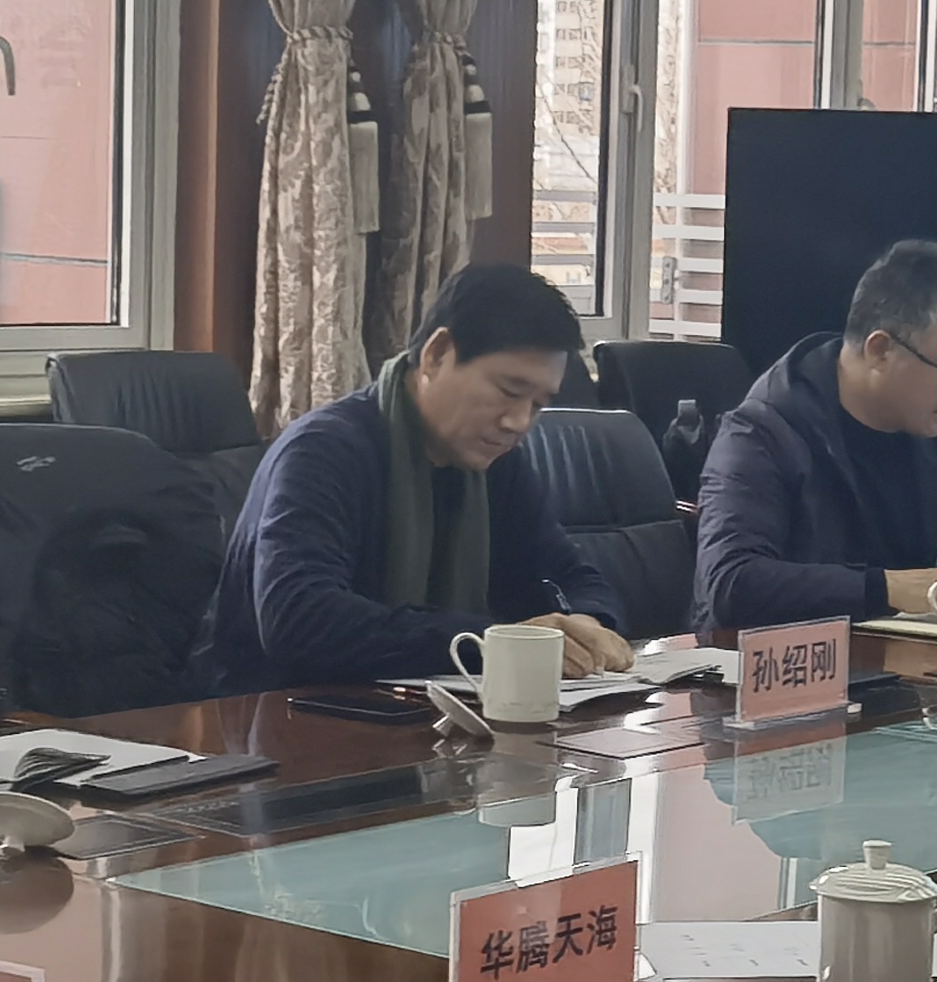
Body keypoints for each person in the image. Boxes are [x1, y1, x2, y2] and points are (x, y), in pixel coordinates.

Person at [209, 263, 637, 688]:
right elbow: (298, 618)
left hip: (424, 712)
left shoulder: (498, 464)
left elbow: (573, 575)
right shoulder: (323, 451)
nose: (519, 422)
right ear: (437, 355)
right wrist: (490, 641)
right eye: (509, 391)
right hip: (278, 713)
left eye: (538, 405)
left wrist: (588, 624)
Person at [692, 237, 937, 635]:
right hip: (771, 666)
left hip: (898, 661)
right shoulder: (762, 433)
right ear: (880, 350)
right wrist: (885, 589)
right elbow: (731, 583)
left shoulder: (933, 439)